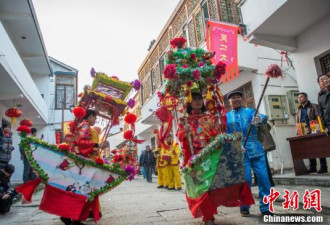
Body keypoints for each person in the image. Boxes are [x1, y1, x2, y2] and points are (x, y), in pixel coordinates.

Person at [177, 92, 254, 225]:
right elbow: (180, 137)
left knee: (212, 184)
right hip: (196, 157)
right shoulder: (184, 120)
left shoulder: (210, 117)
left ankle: (210, 212)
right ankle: (208, 216)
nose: (198, 101)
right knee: (202, 187)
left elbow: (218, 135)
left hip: (210, 155)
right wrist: (185, 131)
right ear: (189, 102)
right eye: (194, 99)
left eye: (199, 98)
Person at [226, 91, 272, 217]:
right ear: (229, 102)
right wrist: (235, 144)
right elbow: (226, 134)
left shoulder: (250, 111)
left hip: (256, 150)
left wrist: (260, 119)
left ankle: (266, 207)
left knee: (263, 178)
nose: (237, 99)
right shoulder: (227, 117)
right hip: (240, 152)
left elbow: (263, 118)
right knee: (245, 180)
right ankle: (244, 205)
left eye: (239, 97)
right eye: (233, 98)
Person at [296, 92, 325, 173]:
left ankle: (323, 167)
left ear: (306, 97)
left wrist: (320, 128)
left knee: (319, 149)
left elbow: (319, 116)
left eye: (301, 97)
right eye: (298, 98)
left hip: (314, 129)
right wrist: (298, 132)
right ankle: (313, 167)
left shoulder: (314, 106)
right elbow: (297, 121)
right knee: (309, 149)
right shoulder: (299, 109)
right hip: (304, 131)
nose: (299, 99)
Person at [317, 74, 329, 173]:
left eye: (326, 78)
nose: (324, 80)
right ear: (320, 84)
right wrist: (324, 126)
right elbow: (321, 113)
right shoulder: (321, 96)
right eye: (322, 80)